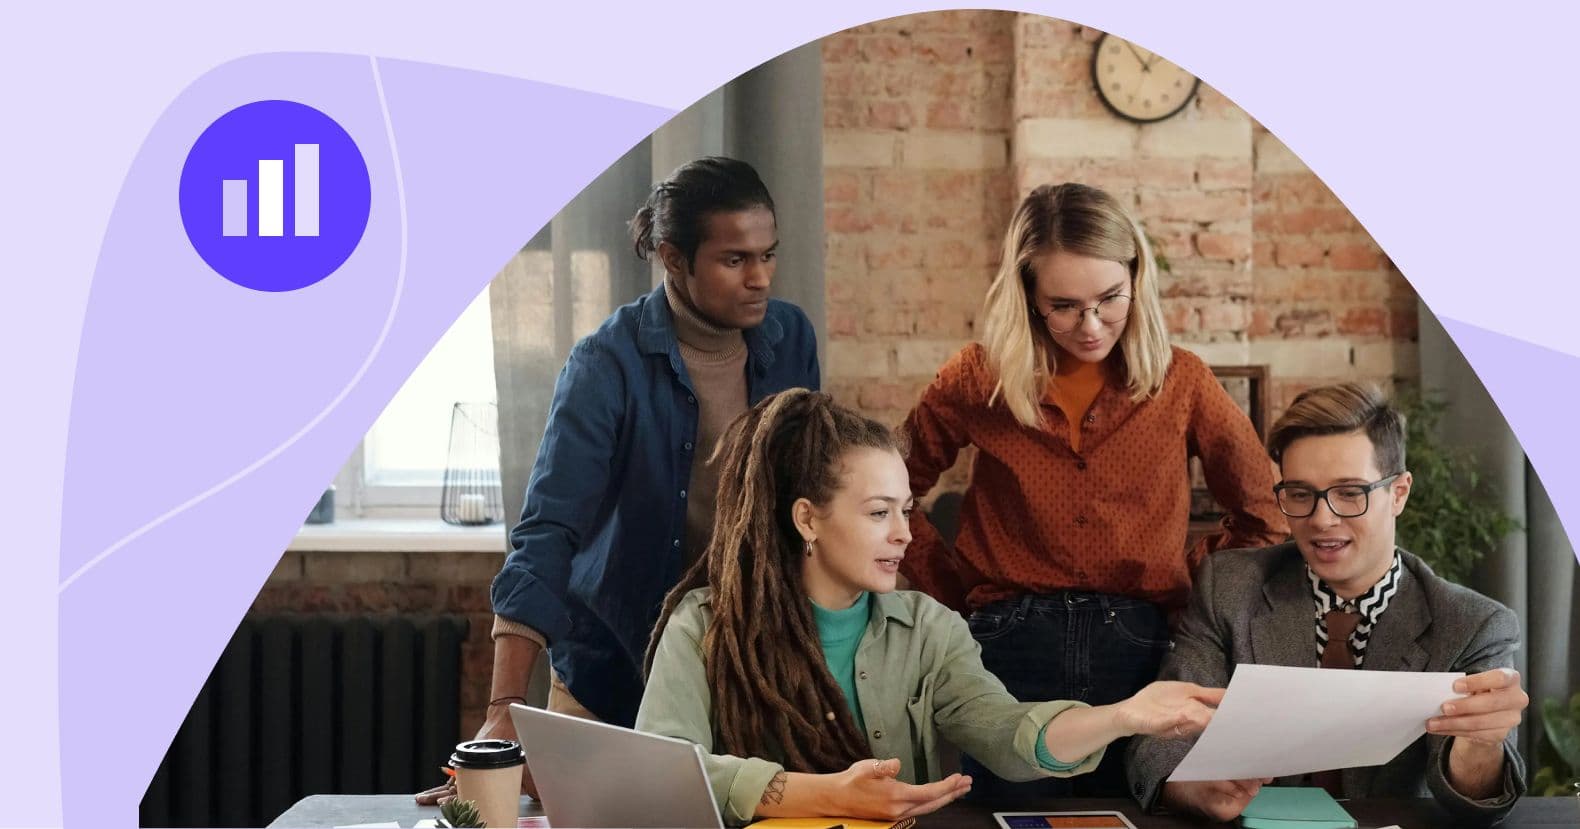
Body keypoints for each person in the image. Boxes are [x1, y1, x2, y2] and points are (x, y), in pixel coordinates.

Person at [418, 157, 820, 804]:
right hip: (613, 676)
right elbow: (548, 531)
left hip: (748, 677)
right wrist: (504, 708)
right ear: (672, 257)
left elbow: (807, 502)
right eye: (735, 260)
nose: (761, 278)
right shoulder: (606, 363)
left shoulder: (790, 337)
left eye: (768, 255)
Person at [636, 390, 1225, 825]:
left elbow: (1006, 732)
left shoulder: (929, 629)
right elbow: (662, 776)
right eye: (877, 512)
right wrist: (824, 794)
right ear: (807, 518)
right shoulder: (706, 625)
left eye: (906, 509)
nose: (905, 534)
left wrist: (1123, 715)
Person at [899, 182, 1288, 798]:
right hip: (1005, 647)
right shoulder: (977, 379)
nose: (1090, 325)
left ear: (1137, 277)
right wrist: (953, 592)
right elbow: (893, 493)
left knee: (1135, 811)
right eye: (1064, 305)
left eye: (1110, 299)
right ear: (1028, 295)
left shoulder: (1181, 381)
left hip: (1137, 647)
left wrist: (1182, 575)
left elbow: (1266, 514)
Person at [1126, 382, 1529, 825]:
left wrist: (1481, 742)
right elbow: (1159, 737)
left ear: (1398, 493)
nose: (1322, 519)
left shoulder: (1473, 623)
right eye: (1300, 494)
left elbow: (1475, 801)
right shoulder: (1229, 587)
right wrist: (1188, 786)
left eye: (1349, 493)